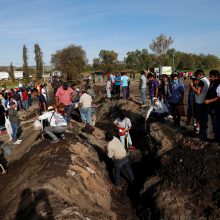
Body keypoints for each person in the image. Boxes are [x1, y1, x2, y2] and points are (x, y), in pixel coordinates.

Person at [190, 69, 210, 139]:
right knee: (203, 118)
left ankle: (201, 133)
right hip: (203, 101)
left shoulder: (201, 81)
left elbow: (198, 92)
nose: (196, 77)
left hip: (199, 101)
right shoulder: (207, 80)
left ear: (200, 75)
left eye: (196, 75)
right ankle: (202, 132)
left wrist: (192, 86)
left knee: (199, 118)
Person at [204, 70, 220, 142]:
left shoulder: (218, 84)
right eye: (209, 76)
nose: (210, 78)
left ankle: (217, 139)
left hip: (216, 107)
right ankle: (213, 137)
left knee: (216, 123)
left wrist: (209, 101)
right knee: (211, 122)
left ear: (217, 77)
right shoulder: (212, 83)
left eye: (211, 77)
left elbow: (219, 97)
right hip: (210, 106)